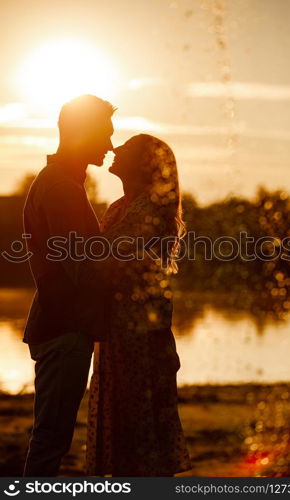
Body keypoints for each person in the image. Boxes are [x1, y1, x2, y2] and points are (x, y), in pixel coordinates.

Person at [85, 134, 192, 476]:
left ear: (142, 164)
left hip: (140, 332)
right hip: (117, 328)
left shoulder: (148, 207)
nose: (115, 149)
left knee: (140, 418)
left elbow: (119, 263)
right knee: (121, 413)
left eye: (126, 149)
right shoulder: (120, 207)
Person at [22, 94, 116, 477]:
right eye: (104, 135)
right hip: (63, 329)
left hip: (61, 326)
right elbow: (80, 267)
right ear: (82, 133)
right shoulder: (62, 188)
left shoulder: (63, 182)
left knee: (50, 438)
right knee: (51, 440)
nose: (110, 145)